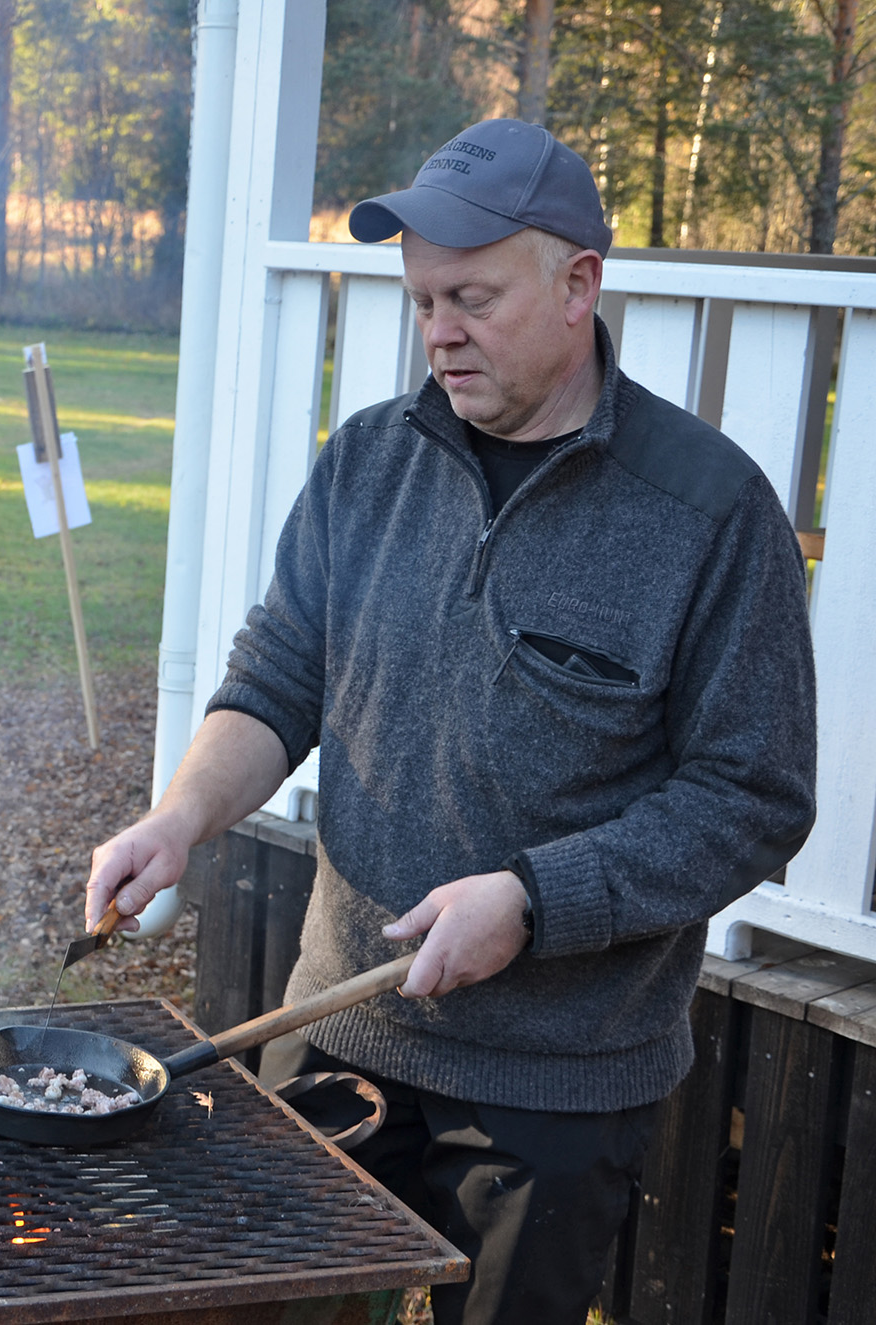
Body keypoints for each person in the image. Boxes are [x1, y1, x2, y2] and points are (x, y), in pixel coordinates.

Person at [85, 119, 816, 1325]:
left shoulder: (706, 510)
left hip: (554, 1083)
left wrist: (530, 900)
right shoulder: (369, 458)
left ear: (577, 282)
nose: (436, 330)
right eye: (421, 298)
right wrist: (181, 814)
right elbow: (277, 677)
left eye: (470, 295)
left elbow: (751, 798)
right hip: (335, 1023)